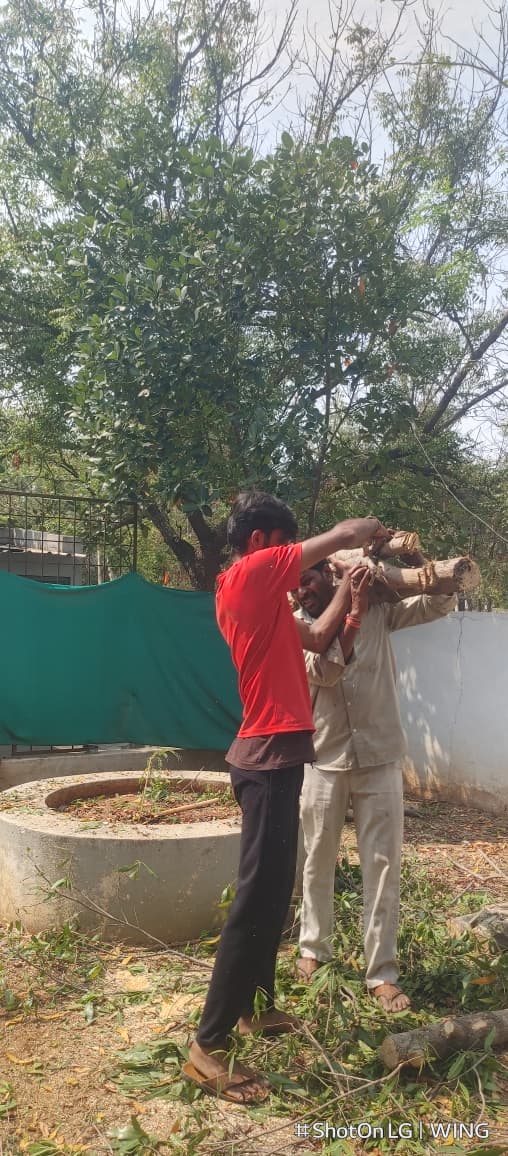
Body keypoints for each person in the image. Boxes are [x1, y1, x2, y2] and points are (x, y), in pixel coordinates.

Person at [183, 492, 388, 1103]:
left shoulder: (266, 599)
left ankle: (254, 1012)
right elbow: (342, 528)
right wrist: (365, 535)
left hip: (277, 756)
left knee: (276, 893)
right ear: (259, 542)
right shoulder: (246, 575)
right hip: (266, 758)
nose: (298, 569)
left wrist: (353, 599)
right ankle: (207, 1046)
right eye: (285, 547)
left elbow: (320, 637)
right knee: (256, 901)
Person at [294, 550, 457, 1011]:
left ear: (329, 576)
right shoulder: (296, 626)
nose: (301, 591)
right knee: (317, 859)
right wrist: (354, 611)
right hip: (324, 758)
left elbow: (438, 602)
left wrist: (414, 558)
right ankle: (313, 950)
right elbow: (323, 672)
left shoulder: (381, 610)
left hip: (381, 757)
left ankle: (381, 972)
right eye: (296, 585)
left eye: (308, 580)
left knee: (383, 867)